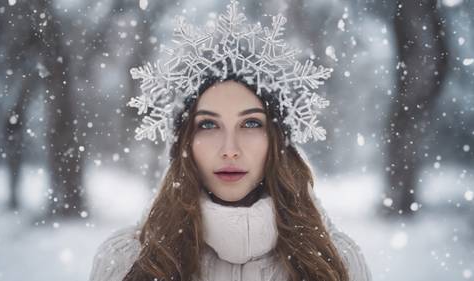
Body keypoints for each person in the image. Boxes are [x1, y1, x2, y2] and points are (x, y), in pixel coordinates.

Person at [89, 1, 372, 281]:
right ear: (185, 143)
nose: (230, 150)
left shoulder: (337, 263)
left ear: (277, 141)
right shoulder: (127, 262)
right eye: (208, 125)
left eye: (250, 123)